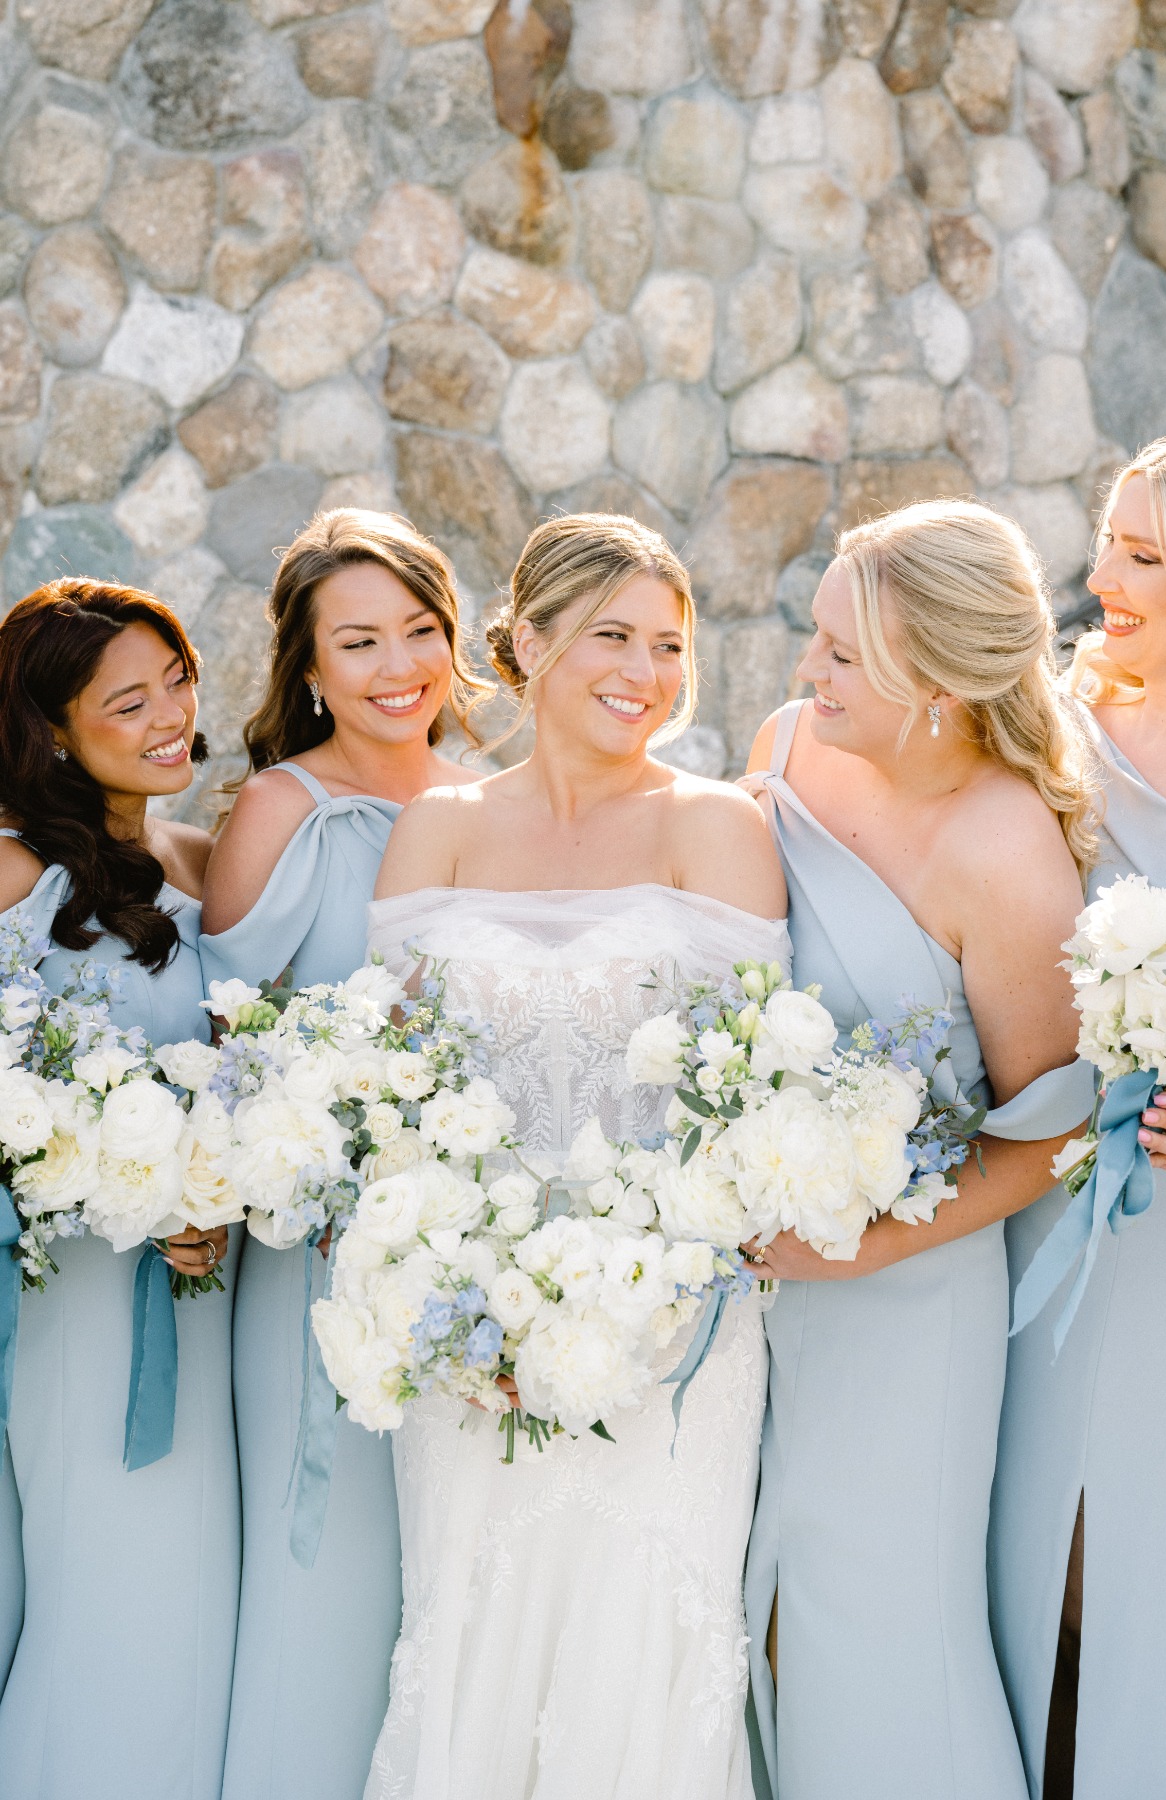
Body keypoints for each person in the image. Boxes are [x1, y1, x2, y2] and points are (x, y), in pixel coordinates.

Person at [364, 512, 789, 1800]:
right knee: (471, 1638)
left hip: (670, 1342)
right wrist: (453, 1297)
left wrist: (633, 1296)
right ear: (528, 642)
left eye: (671, 646)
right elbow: (395, 1096)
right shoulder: (436, 827)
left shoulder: (715, 827)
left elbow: (747, 1099)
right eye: (613, 636)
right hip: (467, 1334)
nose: (647, 674)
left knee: (645, 1650)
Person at [741, 501, 1097, 1800]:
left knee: (879, 1627)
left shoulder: (1011, 861)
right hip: (754, 1273)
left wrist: (854, 1248)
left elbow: (1049, 1143)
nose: (805, 672)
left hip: (906, 1298)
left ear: (936, 685)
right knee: (745, 1609)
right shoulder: (788, 748)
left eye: (840, 655)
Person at [200, 509, 488, 1800]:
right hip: (316, 1277)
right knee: (326, 1599)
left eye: (419, 632)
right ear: (309, 666)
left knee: (448, 1595)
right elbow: (220, 1046)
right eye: (359, 641)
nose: (396, 667)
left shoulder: (494, 805)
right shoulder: (284, 809)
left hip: (467, 1276)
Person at [0, 579, 237, 1800]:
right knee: (109, 1589)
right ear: (50, 730)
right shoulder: (8, 872)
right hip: (67, 1304)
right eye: (127, 701)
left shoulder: (202, 860)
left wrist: (219, 1188)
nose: (168, 717)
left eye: (179, 681)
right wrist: (107, 1179)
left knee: (180, 1602)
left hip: (204, 1297)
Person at [990, 435, 1166, 1800]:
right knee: (1040, 1530)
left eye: (1142, 554)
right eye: (1104, 545)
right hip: (1052, 1196)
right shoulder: (1044, 744)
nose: (1100, 578)